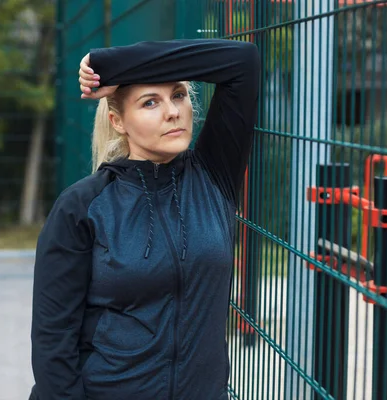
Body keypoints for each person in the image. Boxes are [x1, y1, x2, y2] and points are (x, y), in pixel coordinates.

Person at [29, 38, 260, 399]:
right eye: (150, 102)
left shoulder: (215, 175)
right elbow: (52, 340)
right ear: (117, 121)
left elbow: (242, 60)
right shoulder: (82, 206)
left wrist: (112, 62)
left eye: (179, 95)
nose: (172, 112)